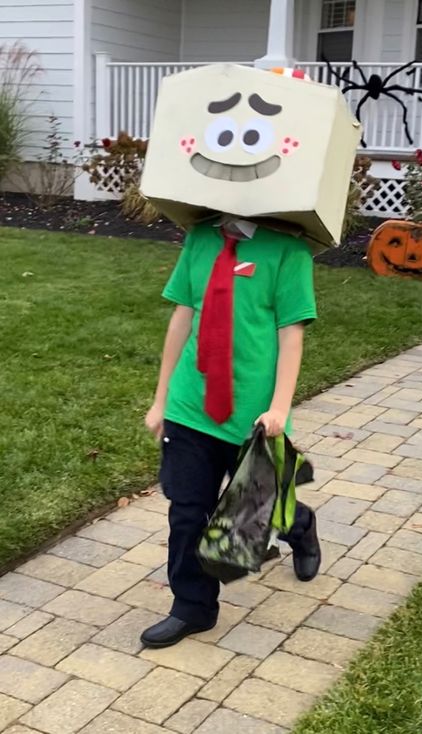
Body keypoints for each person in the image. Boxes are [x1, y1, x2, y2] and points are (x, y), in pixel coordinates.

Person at [140, 219, 321, 648]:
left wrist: (279, 406)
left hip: (253, 416)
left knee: (252, 514)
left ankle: (299, 525)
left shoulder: (288, 253)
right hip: (191, 406)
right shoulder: (200, 239)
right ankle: (192, 608)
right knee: (187, 513)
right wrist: (161, 399)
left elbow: (290, 336)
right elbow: (181, 320)